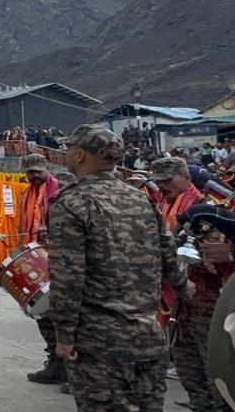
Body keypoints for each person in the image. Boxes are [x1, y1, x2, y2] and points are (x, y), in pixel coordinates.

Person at [49, 124, 191, 412]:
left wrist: (64, 335)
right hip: (148, 336)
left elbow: (68, 277)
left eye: (67, 149)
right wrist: (184, 288)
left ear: (79, 154)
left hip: (100, 343)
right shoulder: (139, 198)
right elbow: (168, 253)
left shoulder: (73, 202)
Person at [150, 156, 230, 412]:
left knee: (212, 359)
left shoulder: (204, 206)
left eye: (168, 180)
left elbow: (216, 249)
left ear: (185, 178)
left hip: (205, 294)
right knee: (185, 357)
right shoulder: (162, 204)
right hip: (176, 296)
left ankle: (220, 405)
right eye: (159, 181)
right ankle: (199, 402)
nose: (163, 185)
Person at [17, 153, 75, 386]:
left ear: (46, 170)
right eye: (29, 172)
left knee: (64, 316)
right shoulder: (25, 194)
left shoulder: (61, 188)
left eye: (37, 172)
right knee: (42, 312)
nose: (33, 176)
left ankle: (74, 370)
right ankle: (55, 363)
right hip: (36, 257)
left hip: (62, 260)